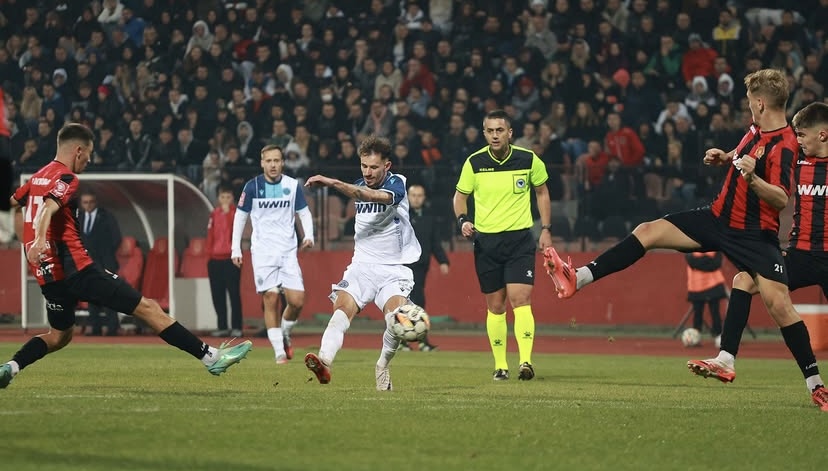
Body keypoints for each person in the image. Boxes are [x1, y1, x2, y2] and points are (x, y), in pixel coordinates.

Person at [545, 69, 828, 410]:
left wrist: (752, 178)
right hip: (717, 218)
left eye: (749, 102)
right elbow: (749, 158)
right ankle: (578, 278)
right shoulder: (756, 130)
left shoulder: (785, 145)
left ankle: (815, 385)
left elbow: (781, 198)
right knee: (648, 231)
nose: (748, 107)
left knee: (779, 305)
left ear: (760, 103)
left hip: (753, 235)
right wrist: (728, 157)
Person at [0, 123, 252, 389]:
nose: (89, 160)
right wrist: (39, 239)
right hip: (78, 269)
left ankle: (11, 367)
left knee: (59, 336)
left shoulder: (36, 177)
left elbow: (11, 203)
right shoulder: (66, 178)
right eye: (89, 154)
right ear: (78, 151)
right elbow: (48, 209)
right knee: (148, 308)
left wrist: (29, 240)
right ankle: (211, 357)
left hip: (49, 276)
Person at [687, 102, 828, 411]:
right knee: (743, 280)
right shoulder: (796, 158)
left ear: (823, 135)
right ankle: (727, 358)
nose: (797, 140)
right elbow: (762, 154)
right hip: (801, 255)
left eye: (802, 135)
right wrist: (729, 157)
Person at [302, 134, 422, 391]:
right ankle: (324, 361)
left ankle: (382, 365)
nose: (367, 172)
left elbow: (367, 195)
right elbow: (359, 191)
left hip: (393, 269)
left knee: (395, 322)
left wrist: (331, 182)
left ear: (387, 166)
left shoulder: (397, 184)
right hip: (361, 266)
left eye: (374, 167)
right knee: (340, 311)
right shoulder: (359, 185)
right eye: (364, 166)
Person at [453, 109, 553, 381]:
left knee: (520, 299)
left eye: (500, 130)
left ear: (510, 133)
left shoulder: (528, 159)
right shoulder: (474, 162)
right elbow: (460, 197)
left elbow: (542, 192)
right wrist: (463, 220)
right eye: (490, 131)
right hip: (486, 243)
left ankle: (525, 362)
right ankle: (500, 365)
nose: (495, 135)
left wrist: (545, 229)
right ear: (484, 133)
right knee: (496, 306)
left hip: (520, 240)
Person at [230, 144, 314, 364]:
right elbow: (240, 217)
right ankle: (279, 352)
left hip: (287, 252)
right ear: (262, 163)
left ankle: (284, 333)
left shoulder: (292, 185)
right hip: (263, 252)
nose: (273, 165)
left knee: (296, 301)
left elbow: (304, 212)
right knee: (271, 297)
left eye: (276, 160)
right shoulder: (252, 187)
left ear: (282, 162)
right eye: (268, 161)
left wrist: (309, 235)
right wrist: (235, 248)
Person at [400, 183, 448, 352]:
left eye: (419, 195)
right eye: (413, 195)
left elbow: (435, 242)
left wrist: (443, 261)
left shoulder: (429, 217)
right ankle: (401, 340)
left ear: (424, 198)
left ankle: (421, 341)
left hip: (421, 266)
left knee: (418, 303)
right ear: (408, 197)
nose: (416, 199)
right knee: (403, 302)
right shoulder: (401, 215)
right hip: (402, 266)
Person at [78, 188, 122, 336]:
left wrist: (106, 253)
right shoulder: (79, 218)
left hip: (106, 262)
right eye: (85, 202)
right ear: (81, 203)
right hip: (87, 263)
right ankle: (94, 326)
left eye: (91, 202)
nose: (88, 205)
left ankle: (112, 327)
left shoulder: (106, 216)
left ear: (96, 202)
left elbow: (116, 238)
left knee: (108, 294)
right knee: (92, 295)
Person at [207, 185, 242, 337]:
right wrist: (209, 255)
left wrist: (227, 214)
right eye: (223, 197)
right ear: (218, 199)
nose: (225, 200)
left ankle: (237, 327)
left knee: (234, 294)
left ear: (233, 198)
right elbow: (210, 235)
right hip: (214, 260)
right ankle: (222, 326)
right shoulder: (214, 214)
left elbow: (234, 232)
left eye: (228, 197)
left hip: (231, 259)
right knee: (217, 294)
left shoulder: (236, 214)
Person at [684, 251, 726, 347]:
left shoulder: (714, 248)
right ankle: (695, 337)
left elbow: (716, 264)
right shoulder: (691, 249)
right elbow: (691, 261)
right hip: (696, 285)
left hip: (713, 284)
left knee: (715, 312)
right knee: (698, 314)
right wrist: (707, 260)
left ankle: (719, 336)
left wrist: (699, 262)